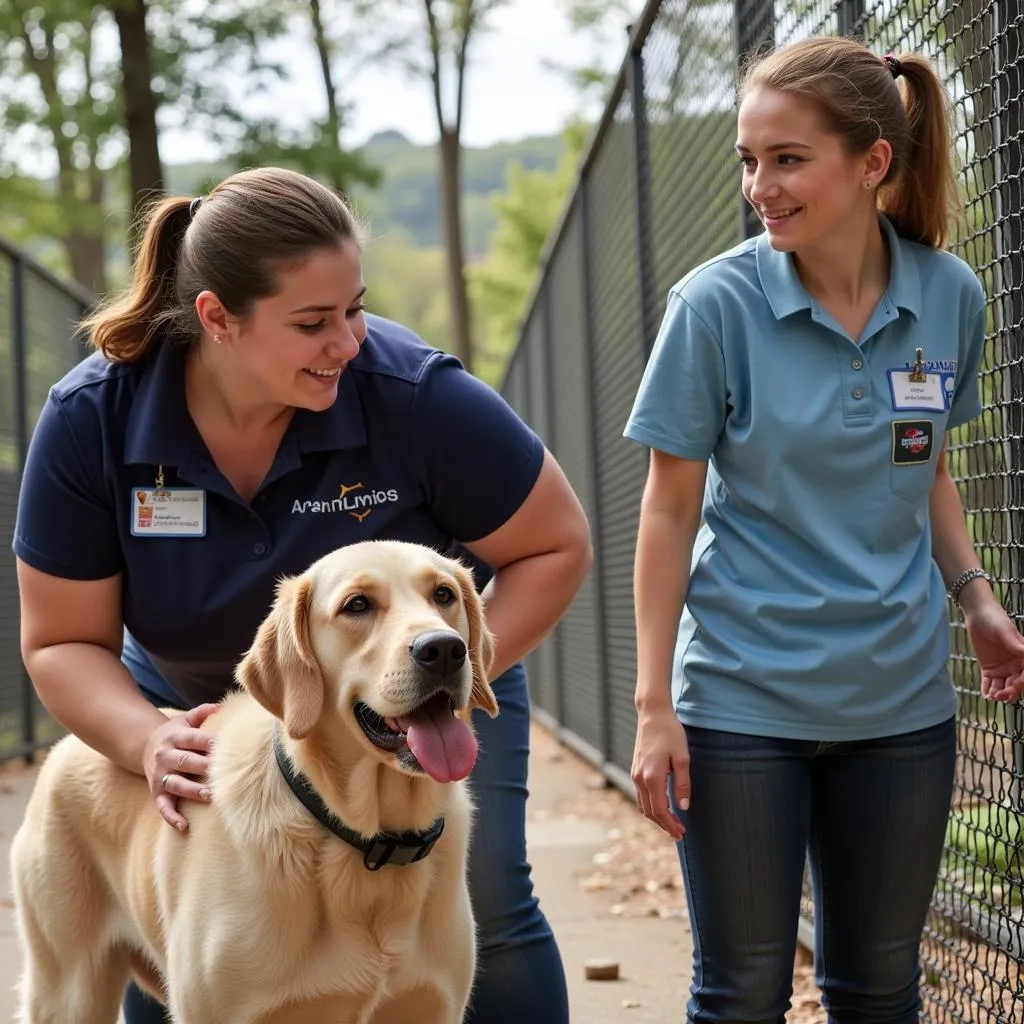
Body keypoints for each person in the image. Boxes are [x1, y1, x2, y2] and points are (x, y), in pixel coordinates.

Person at [13, 166, 591, 1023]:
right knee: (199, 935)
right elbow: (61, 640)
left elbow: (557, 542)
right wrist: (148, 741)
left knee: (493, 904)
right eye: (314, 323)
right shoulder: (93, 417)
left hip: (432, 684)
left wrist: (460, 678)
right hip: (183, 703)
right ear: (217, 318)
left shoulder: (415, 394)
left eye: (355, 309)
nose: (349, 343)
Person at [624, 36, 1024, 1024]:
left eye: (788, 158)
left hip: (899, 704)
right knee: (741, 992)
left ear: (872, 162)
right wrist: (651, 703)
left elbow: (920, 463)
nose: (761, 185)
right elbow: (668, 509)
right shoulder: (712, 305)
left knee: (880, 987)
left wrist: (973, 594)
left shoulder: (949, 296)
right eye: (748, 160)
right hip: (740, 701)